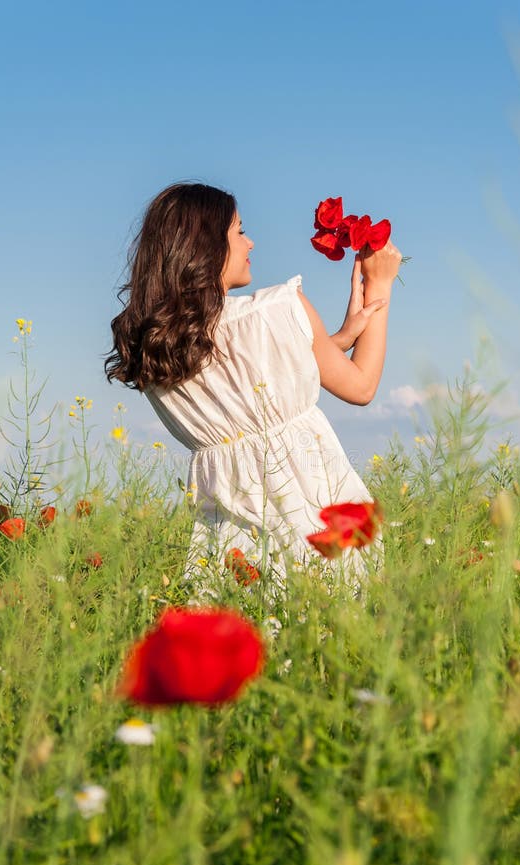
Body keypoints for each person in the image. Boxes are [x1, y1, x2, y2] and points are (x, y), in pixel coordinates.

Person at [105, 182, 402, 576]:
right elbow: (361, 387)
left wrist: (340, 339)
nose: (251, 243)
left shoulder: (157, 349)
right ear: (207, 246)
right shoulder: (277, 309)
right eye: (240, 231)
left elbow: (246, 380)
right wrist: (379, 285)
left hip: (233, 548)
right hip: (311, 517)